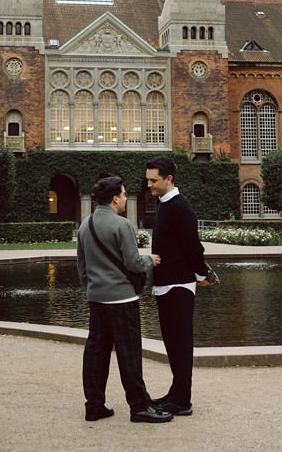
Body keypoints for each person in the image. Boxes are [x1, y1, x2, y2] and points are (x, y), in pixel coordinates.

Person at [77, 175, 171, 424]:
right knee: (129, 354)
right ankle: (139, 407)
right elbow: (133, 262)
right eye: (124, 194)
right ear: (115, 198)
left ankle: (94, 406)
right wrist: (150, 260)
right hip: (122, 300)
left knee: (96, 353)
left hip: (97, 299)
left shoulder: (85, 225)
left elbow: (82, 268)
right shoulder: (123, 225)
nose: (125, 198)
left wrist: (94, 289)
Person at [145, 157, 211, 417]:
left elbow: (193, 246)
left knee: (180, 344)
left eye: (154, 180)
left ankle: (182, 400)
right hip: (167, 284)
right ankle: (176, 393)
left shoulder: (179, 207)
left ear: (169, 179)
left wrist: (201, 274)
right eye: (148, 179)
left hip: (178, 285)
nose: (149, 184)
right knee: (173, 343)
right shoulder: (166, 203)